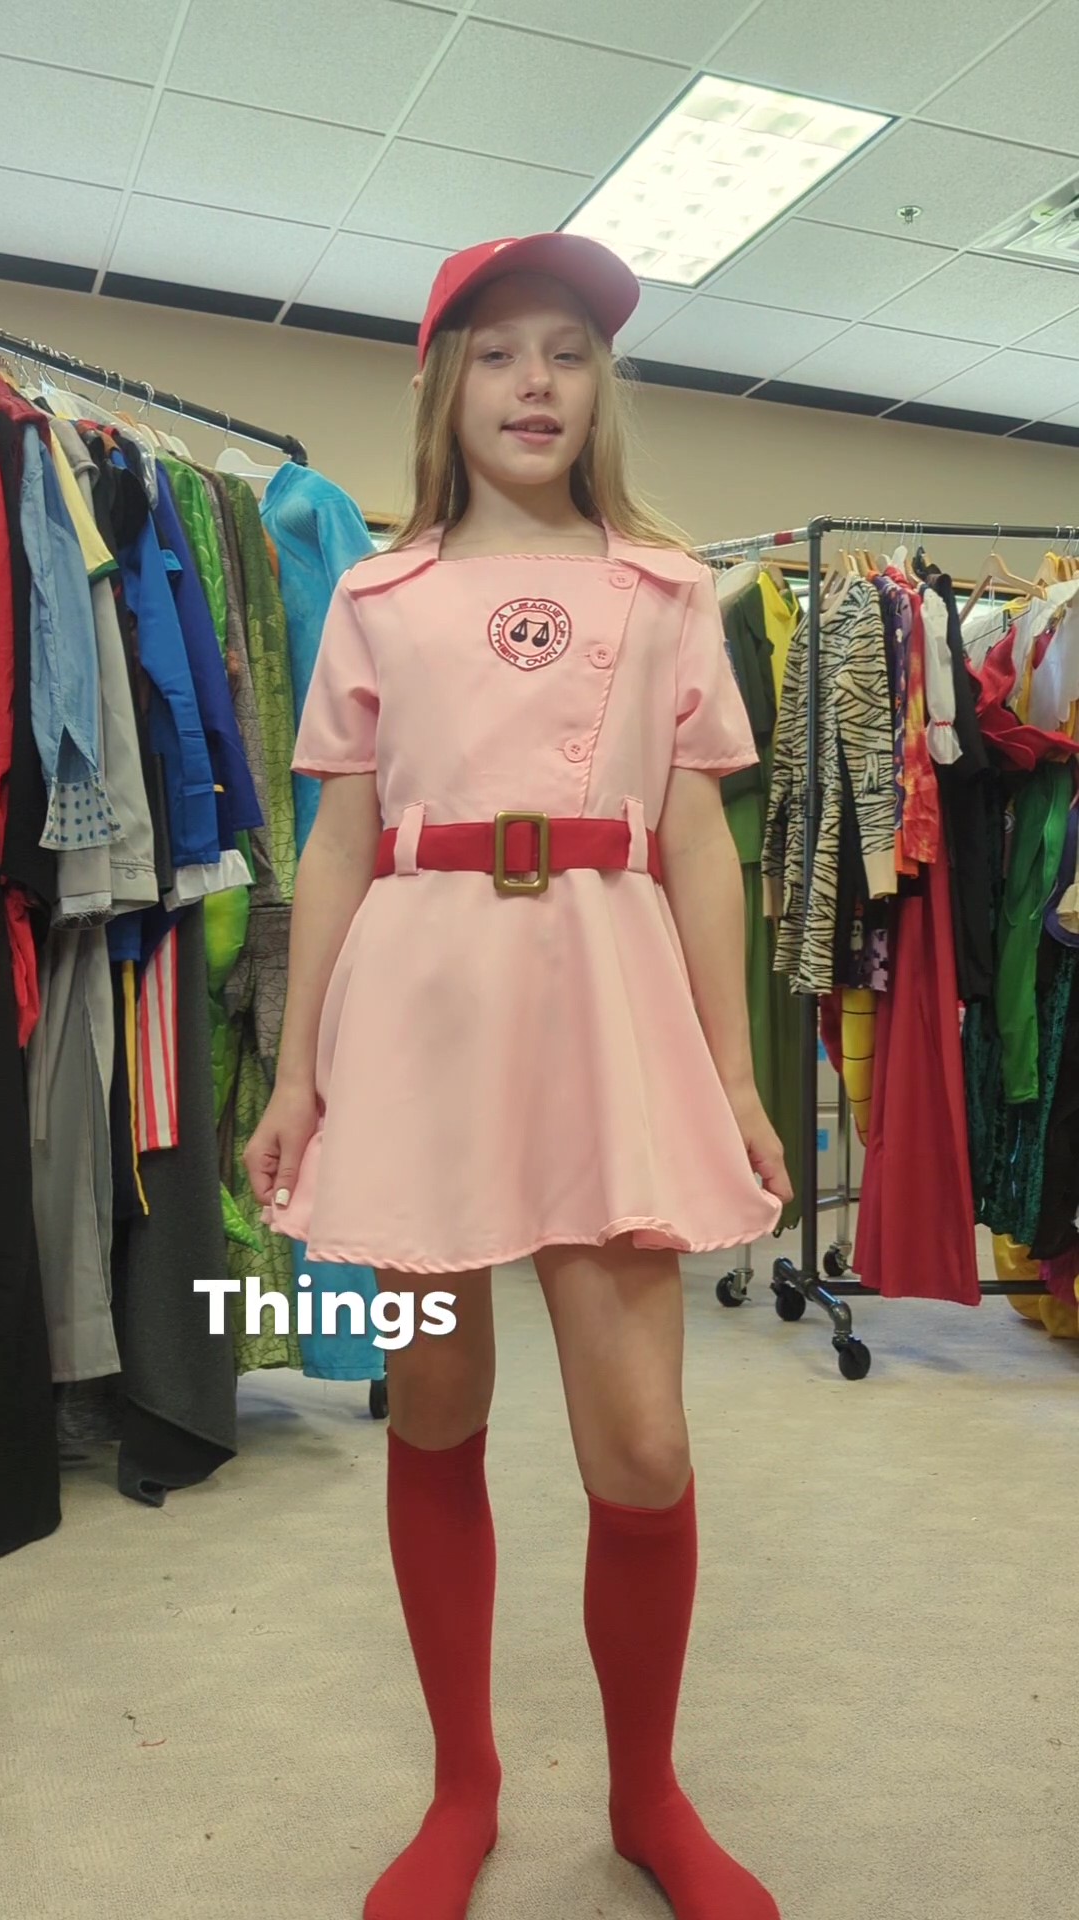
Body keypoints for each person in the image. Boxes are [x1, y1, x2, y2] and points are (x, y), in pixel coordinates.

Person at [245, 231, 792, 1920]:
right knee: (435, 1400)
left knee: (640, 1440)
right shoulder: (376, 595)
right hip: (418, 1014)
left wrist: (741, 1072)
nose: (536, 383)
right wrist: (293, 1069)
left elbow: (702, 838)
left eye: (567, 351)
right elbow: (336, 841)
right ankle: (461, 1788)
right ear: (444, 385)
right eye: (498, 353)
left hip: (608, 1009)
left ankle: (647, 1795)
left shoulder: (664, 589)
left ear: (601, 385)